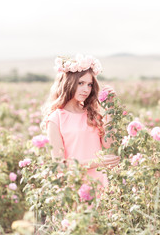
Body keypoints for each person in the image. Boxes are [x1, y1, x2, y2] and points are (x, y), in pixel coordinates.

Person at [41, 54, 120, 187]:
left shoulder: (92, 113)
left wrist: (110, 109)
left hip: (98, 182)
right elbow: (60, 165)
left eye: (89, 85)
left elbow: (109, 144)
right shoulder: (56, 118)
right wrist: (98, 162)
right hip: (73, 186)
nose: (86, 89)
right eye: (80, 83)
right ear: (68, 83)